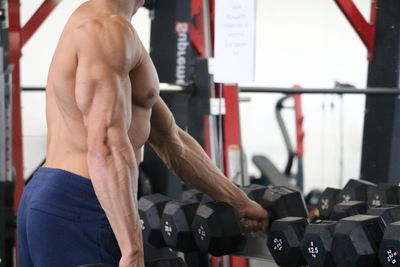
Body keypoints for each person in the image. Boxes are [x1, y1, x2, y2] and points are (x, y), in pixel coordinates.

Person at [17, 0, 268, 266]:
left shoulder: (112, 29)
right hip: (81, 203)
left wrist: (237, 200)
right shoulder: (107, 30)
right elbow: (106, 145)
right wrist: (132, 249)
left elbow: (169, 138)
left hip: (64, 196)